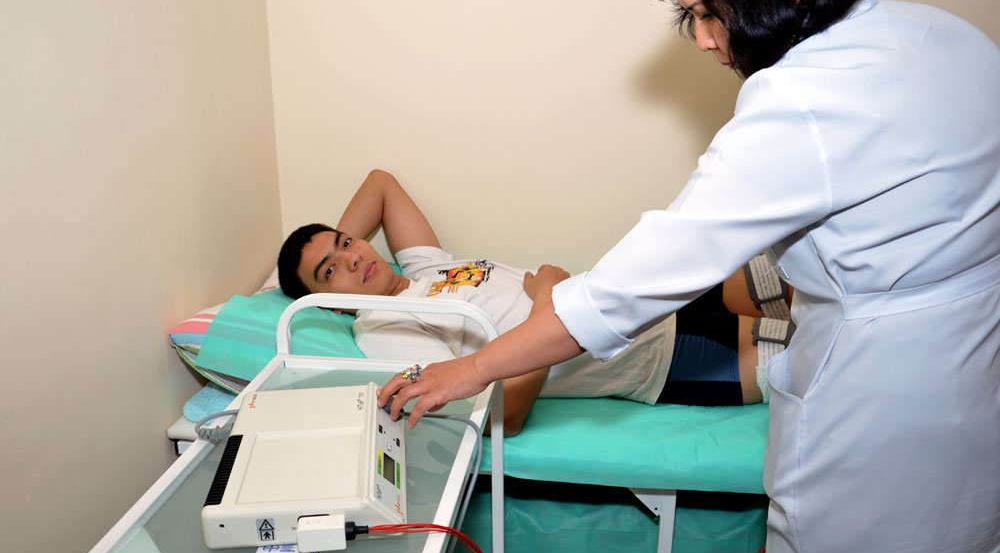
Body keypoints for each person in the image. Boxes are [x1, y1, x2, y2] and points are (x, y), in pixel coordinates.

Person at [377, 0, 1000, 553]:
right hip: (972, 362)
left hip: (881, 400)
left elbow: (623, 292)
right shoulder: (942, 34)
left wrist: (472, 368)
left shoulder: (801, 99)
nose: (703, 39)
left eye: (706, 13)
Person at [277, 169, 791, 435]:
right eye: (330, 271)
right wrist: (547, 297)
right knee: (817, 353)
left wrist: (328, 255)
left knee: (803, 273)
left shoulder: (420, 271)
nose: (352, 258)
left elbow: (381, 183)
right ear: (326, 302)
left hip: (645, 294)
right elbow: (506, 414)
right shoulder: (381, 328)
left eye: (347, 242)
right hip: (657, 359)